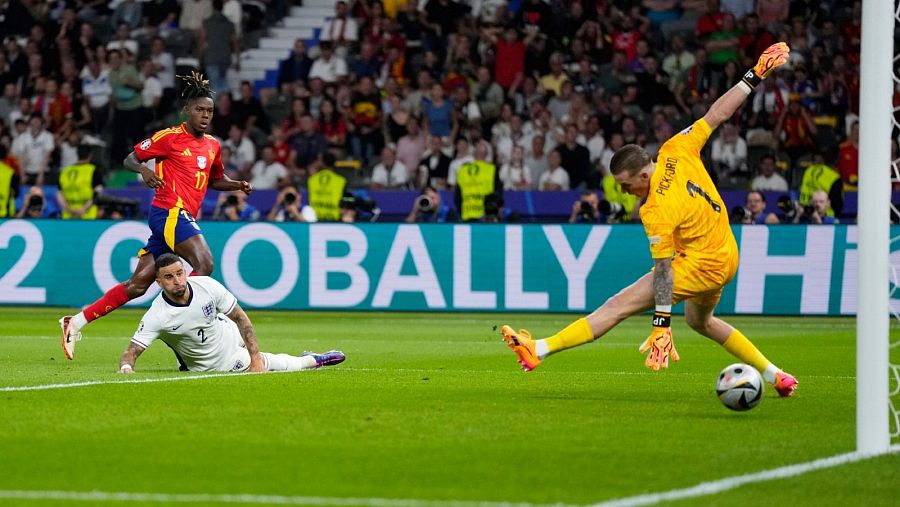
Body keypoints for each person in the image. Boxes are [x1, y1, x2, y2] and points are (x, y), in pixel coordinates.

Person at [500, 43, 798, 397]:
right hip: (726, 251)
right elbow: (717, 114)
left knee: (618, 305)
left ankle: (540, 349)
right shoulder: (676, 148)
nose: (625, 193)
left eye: (626, 186)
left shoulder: (654, 208)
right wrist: (756, 73)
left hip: (702, 263)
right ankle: (775, 374)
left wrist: (660, 324)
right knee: (700, 322)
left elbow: (664, 271)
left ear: (642, 176)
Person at [60, 72, 253, 361]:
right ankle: (187, 319)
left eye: (209, 111)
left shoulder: (212, 145)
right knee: (205, 264)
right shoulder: (170, 138)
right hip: (169, 211)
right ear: (186, 111)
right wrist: (145, 170)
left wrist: (236, 184)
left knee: (137, 286)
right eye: (199, 109)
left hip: (178, 219)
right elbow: (130, 158)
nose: (205, 115)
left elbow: (214, 178)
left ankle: (75, 322)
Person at [118, 254, 345, 373]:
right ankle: (314, 360)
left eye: (180, 273)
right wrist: (127, 368)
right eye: (169, 277)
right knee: (273, 364)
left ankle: (256, 356)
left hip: (225, 328)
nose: (177, 281)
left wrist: (254, 358)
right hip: (219, 361)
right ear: (158, 282)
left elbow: (240, 317)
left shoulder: (206, 285)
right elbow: (131, 352)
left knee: (255, 356)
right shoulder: (157, 315)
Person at [57, 144, 104, 219]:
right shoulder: (94, 171)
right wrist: (83, 209)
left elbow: (59, 193)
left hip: (68, 213)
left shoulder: (64, 171)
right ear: (90, 155)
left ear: (77, 154)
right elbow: (98, 193)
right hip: (88, 213)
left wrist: (68, 209)